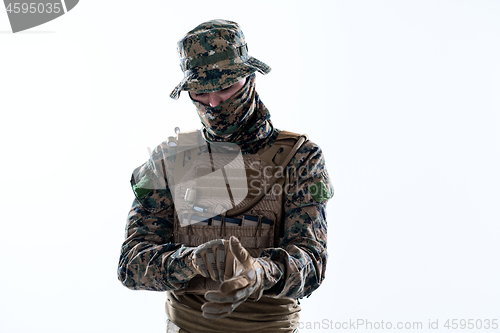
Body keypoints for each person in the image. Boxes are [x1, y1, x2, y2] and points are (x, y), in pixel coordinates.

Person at [118, 19, 334, 333]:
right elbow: (131, 265)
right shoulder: (171, 159)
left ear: (251, 79)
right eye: (201, 93)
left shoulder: (300, 158)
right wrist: (190, 261)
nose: (214, 103)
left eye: (226, 88)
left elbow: (312, 262)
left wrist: (260, 273)